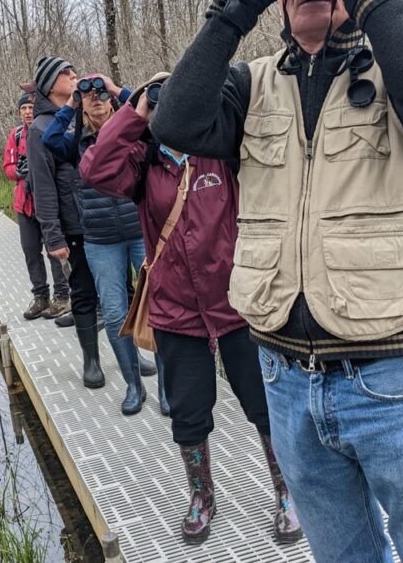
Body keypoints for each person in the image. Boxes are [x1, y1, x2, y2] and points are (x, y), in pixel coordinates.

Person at [150, 0, 403, 562]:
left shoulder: (401, 77)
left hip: (402, 382)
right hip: (288, 383)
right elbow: (175, 123)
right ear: (275, 2)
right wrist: (237, 0)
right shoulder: (251, 88)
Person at [81, 74, 301, 546]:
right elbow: (95, 169)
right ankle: (202, 496)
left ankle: (288, 492)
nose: (169, 111)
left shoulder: (221, 150)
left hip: (238, 302)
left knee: (265, 404)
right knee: (188, 410)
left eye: (176, 100)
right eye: (161, 104)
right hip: (175, 308)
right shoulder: (144, 163)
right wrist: (134, 109)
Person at [41, 73, 168, 416]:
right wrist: (70, 104)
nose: (95, 98)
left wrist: (118, 89)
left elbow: (158, 116)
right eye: (89, 95)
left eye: (101, 94)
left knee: (161, 308)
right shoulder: (76, 143)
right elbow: (50, 138)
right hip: (99, 239)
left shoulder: (133, 129)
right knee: (114, 313)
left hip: (141, 231)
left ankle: (167, 388)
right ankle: (133, 386)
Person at [26, 56, 105, 388]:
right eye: (66, 74)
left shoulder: (82, 116)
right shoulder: (40, 128)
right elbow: (42, 188)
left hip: (103, 219)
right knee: (84, 293)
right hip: (73, 226)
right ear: (49, 84)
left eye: (75, 73)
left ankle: (131, 353)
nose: (74, 78)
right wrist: (52, 236)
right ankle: (91, 360)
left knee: (121, 293)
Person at [3, 90, 71, 321]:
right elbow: (7, 167)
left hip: (46, 202)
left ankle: (62, 296)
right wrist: (18, 172)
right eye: (23, 109)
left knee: (54, 250)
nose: (27, 112)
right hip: (24, 204)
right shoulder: (16, 135)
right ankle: (41, 296)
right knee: (31, 251)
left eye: (30, 108)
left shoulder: (46, 130)